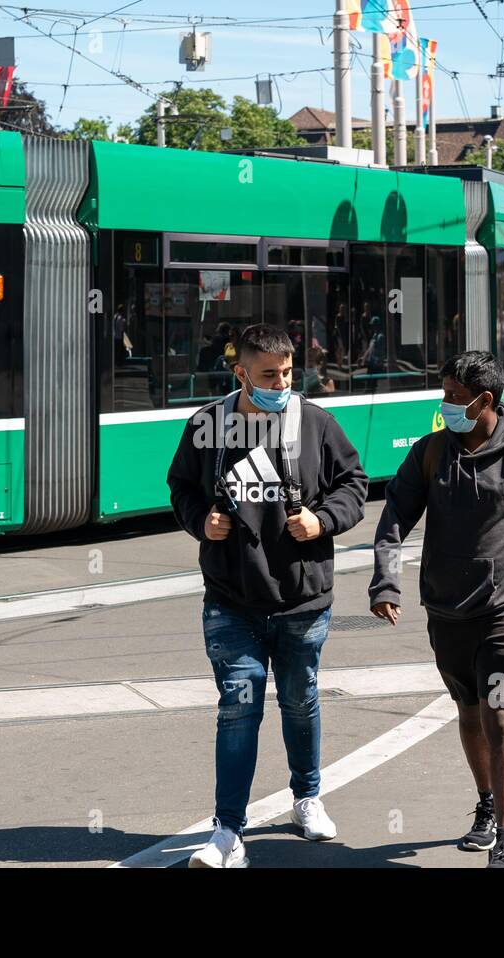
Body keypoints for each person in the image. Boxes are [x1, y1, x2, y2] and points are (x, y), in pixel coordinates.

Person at [167, 323, 369, 868]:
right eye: (267, 375)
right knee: (238, 706)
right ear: (240, 374)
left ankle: (307, 797)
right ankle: (227, 831)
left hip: (302, 600)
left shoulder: (317, 424)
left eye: (286, 373)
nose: (280, 383)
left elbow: (355, 485)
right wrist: (198, 520)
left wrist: (323, 520)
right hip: (231, 598)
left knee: (299, 701)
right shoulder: (209, 424)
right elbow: (180, 486)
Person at [367, 351, 504, 869]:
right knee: (469, 710)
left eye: (454, 397)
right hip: (448, 611)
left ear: (485, 400)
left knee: (503, 714)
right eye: (444, 395)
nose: (445, 405)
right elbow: (394, 519)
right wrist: (385, 583)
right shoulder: (430, 453)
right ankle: (485, 802)